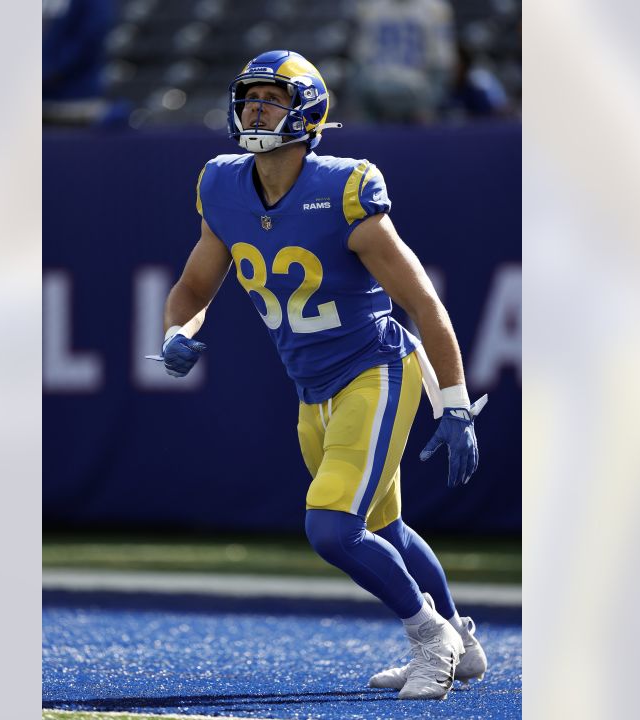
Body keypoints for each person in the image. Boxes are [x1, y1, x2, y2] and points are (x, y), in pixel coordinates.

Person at [156, 50, 488, 700]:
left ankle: (431, 637)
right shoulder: (223, 186)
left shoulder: (342, 188)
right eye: (250, 97)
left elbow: (423, 304)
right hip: (313, 391)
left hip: (377, 371)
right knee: (383, 530)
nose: (256, 109)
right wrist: (176, 332)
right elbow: (194, 286)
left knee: (332, 527)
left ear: (306, 113)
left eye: (272, 99)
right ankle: (463, 638)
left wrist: (454, 404)